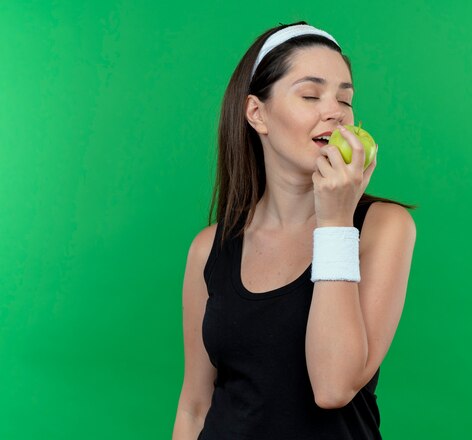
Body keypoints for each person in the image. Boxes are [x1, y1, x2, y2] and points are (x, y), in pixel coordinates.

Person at [172, 21, 417, 440]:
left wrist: (335, 220)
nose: (335, 111)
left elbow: (334, 387)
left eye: (345, 98)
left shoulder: (382, 228)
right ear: (257, 114)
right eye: (310, 94)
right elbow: (195, 407)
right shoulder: (208, 249)